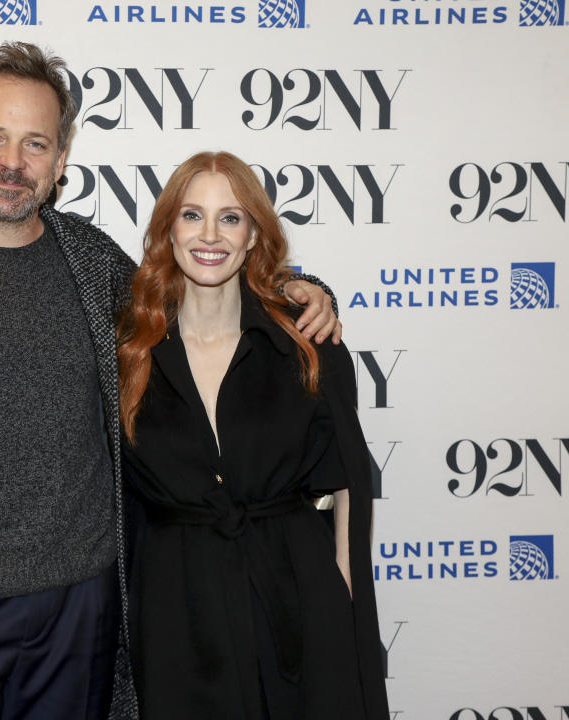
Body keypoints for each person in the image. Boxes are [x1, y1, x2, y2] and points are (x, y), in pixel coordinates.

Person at [0, 44, 340, 720]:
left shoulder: (94, 264)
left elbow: (197, 285)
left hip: (78, 617)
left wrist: (295, 288)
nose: (12, 162)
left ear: (61, 161)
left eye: (35, 143)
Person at [117, 151, 389, 719]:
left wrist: (341, 596)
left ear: (253, 236)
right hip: (175, 606)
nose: (210, 234)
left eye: (231, 218)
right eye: (192, 215)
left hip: (295, 591)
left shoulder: (308, 343)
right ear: (169, 229)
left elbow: (346, 480)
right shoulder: (129, 350)